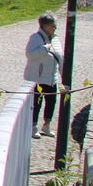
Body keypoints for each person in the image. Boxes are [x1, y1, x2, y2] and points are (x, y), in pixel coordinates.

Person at [23, 11, 62, 139]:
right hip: (37, 78)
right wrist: (45, 49)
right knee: (37, 103)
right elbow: (30, 55)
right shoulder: (35, 37)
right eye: (53, 25)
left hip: (51, 78)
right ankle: (33, 127)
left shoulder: (56, 39)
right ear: (45, 26)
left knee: (51, 102)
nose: (55, 28)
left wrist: (63, 75)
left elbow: (60, 57)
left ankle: (47, 125)